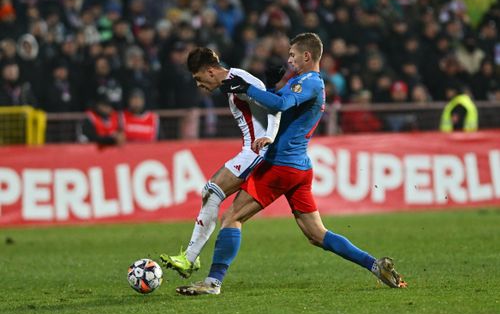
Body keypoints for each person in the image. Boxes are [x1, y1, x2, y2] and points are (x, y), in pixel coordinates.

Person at [175, 33, 407, 296]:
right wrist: (271, 88)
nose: (290, 59)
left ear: (307, 56)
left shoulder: (311, 82)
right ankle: (375, 265)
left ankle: (212, 283)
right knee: (317, 234)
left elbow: (283, 104)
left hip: (280, 165)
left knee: (231, 218)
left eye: (293, 55)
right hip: (299, 168)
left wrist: (248, 88)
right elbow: (277, 105)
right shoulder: (300, 81)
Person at [160, 47, 282, 277]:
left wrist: (270, 137)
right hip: (254, 150)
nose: (198, 85)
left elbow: (275, 106)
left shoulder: (239, 80)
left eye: (198, 78)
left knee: (212, 191)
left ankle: (190, 258)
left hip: (257, 151)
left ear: (210, 71)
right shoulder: (232, 83)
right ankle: (190, 258)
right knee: (313, 230)